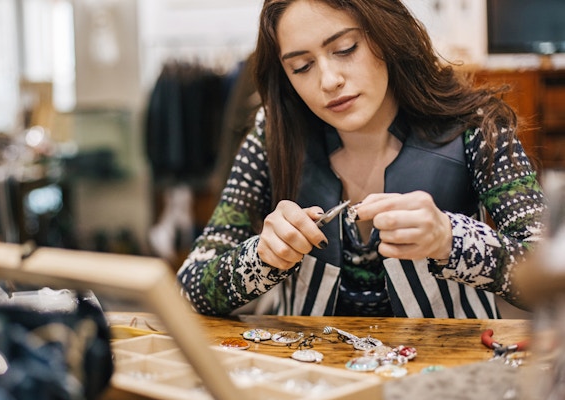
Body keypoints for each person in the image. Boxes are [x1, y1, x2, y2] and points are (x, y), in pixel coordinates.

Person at [177, 0, 546, 318]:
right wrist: (260, 258)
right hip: (313, 379)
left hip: (446, 383)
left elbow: (549, 274)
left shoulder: (476, 127)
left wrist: (451, 240)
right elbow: (191, 283)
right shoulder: (273, 134)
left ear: (386, 33)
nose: (329, 80)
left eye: (345, 48)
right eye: (302, 67)